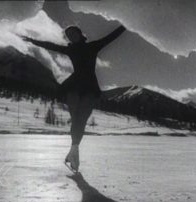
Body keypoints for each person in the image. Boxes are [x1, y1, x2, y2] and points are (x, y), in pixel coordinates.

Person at [23, 24, 126, 173]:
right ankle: (74, 152)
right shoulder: (70, 49)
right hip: (74, 86)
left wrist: (126, 24)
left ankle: (74, 151)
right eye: (68, 34)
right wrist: (33, 41)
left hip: (89, 87)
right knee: (76, 119)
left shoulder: (93, 46)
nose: (71, 36)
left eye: (73, 33)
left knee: (81, 119)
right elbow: (51, 46)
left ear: (80, 33)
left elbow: (111, 37)